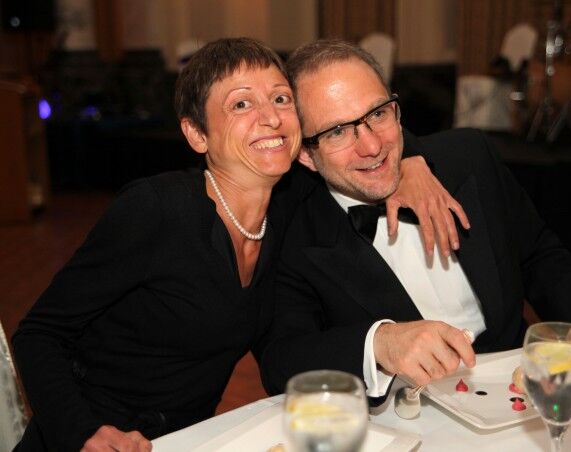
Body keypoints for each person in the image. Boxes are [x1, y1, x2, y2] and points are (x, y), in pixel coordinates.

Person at [11, 38, 465, 451]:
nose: (271, 117)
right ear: (197, 134)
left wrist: (411, 162)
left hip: (185, 441)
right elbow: (38, 334)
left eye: (281, 99)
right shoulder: (157, 210)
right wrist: (82, 432)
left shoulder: (288, 202)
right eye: (241, 104)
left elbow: (362, 128)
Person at [261, 39, 571, 400]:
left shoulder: (470, 157)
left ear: (396, 109)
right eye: (337, 132)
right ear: (305, 154)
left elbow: (537, 252)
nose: (372, 147)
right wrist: (379, 343)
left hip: (521, 394)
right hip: (405, 417)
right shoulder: (293, 235)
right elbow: (281, 361)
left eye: (377, 114)